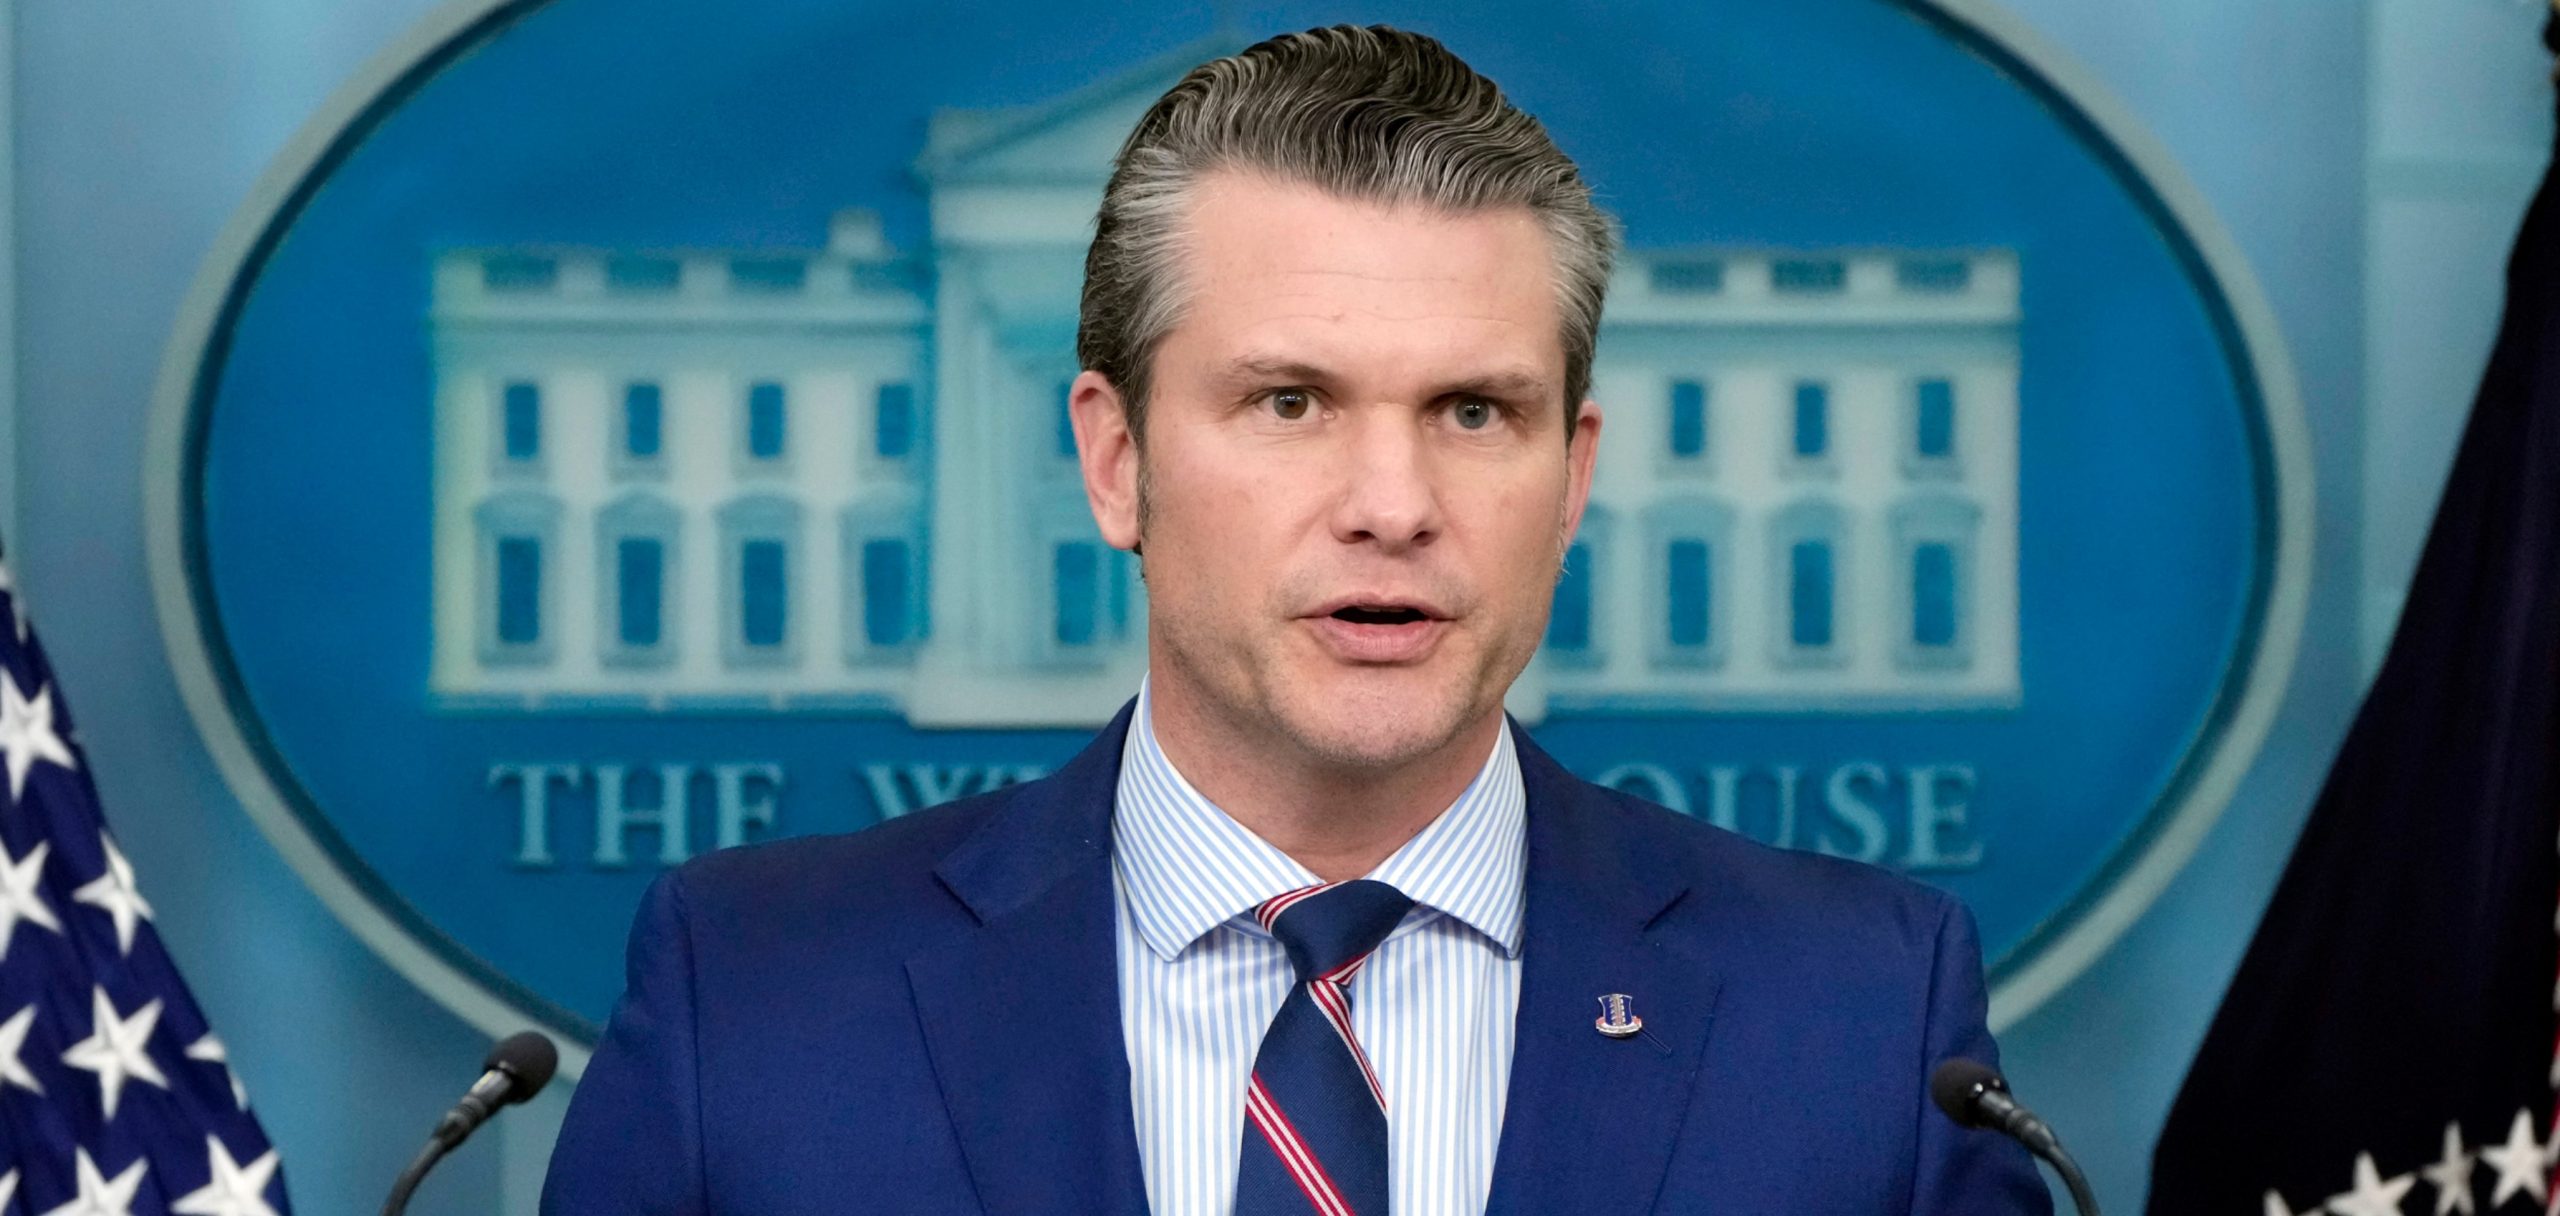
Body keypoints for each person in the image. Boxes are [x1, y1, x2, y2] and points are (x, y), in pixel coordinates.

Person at [543, 24, 2050, 1216]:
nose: (1393, 504)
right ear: (1115, 462)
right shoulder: (755, 996)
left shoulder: (1865, 1019)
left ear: (1573, 476)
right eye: (1289, 403)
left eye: (1474, 411)